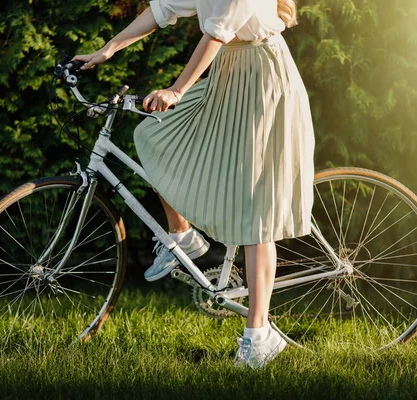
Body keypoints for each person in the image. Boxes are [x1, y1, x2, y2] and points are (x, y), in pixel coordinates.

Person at [73, 0, 315, 368]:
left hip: (264, 78)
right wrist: (106, 50)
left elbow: (217, 33)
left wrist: (177, 89)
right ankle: (182, 234)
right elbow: (162, 9)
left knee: (255, 208)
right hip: (229, 77)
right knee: (155, 137)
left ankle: (258, 335)